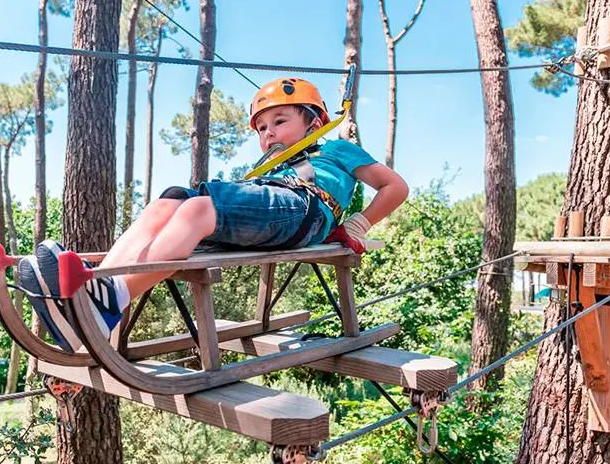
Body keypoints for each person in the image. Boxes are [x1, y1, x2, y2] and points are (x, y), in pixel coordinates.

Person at [21, 77, 408, 350]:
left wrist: (359, 222)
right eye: (261, 128)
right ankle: (96, 294)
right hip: (275, 206)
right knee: (170, 200)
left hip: (302, 209)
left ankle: (108, 299)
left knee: (198, 209)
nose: (268, 133)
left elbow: (395, 187)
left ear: (315, 121)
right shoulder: (271, 168)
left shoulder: (335, 151)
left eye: (280, 121)